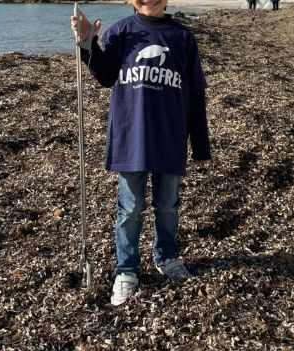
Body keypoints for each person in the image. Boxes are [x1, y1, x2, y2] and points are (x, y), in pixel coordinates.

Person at [71, 0, 210, 307]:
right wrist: (87, 42)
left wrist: (200, 144)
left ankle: (167, 257)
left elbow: (196, 91)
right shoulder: (122, 31)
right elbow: (104, 75)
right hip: (130, 137)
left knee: (168, 205)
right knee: (130, 208)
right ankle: (126, 270)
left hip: (170, 138)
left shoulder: (182, 36)